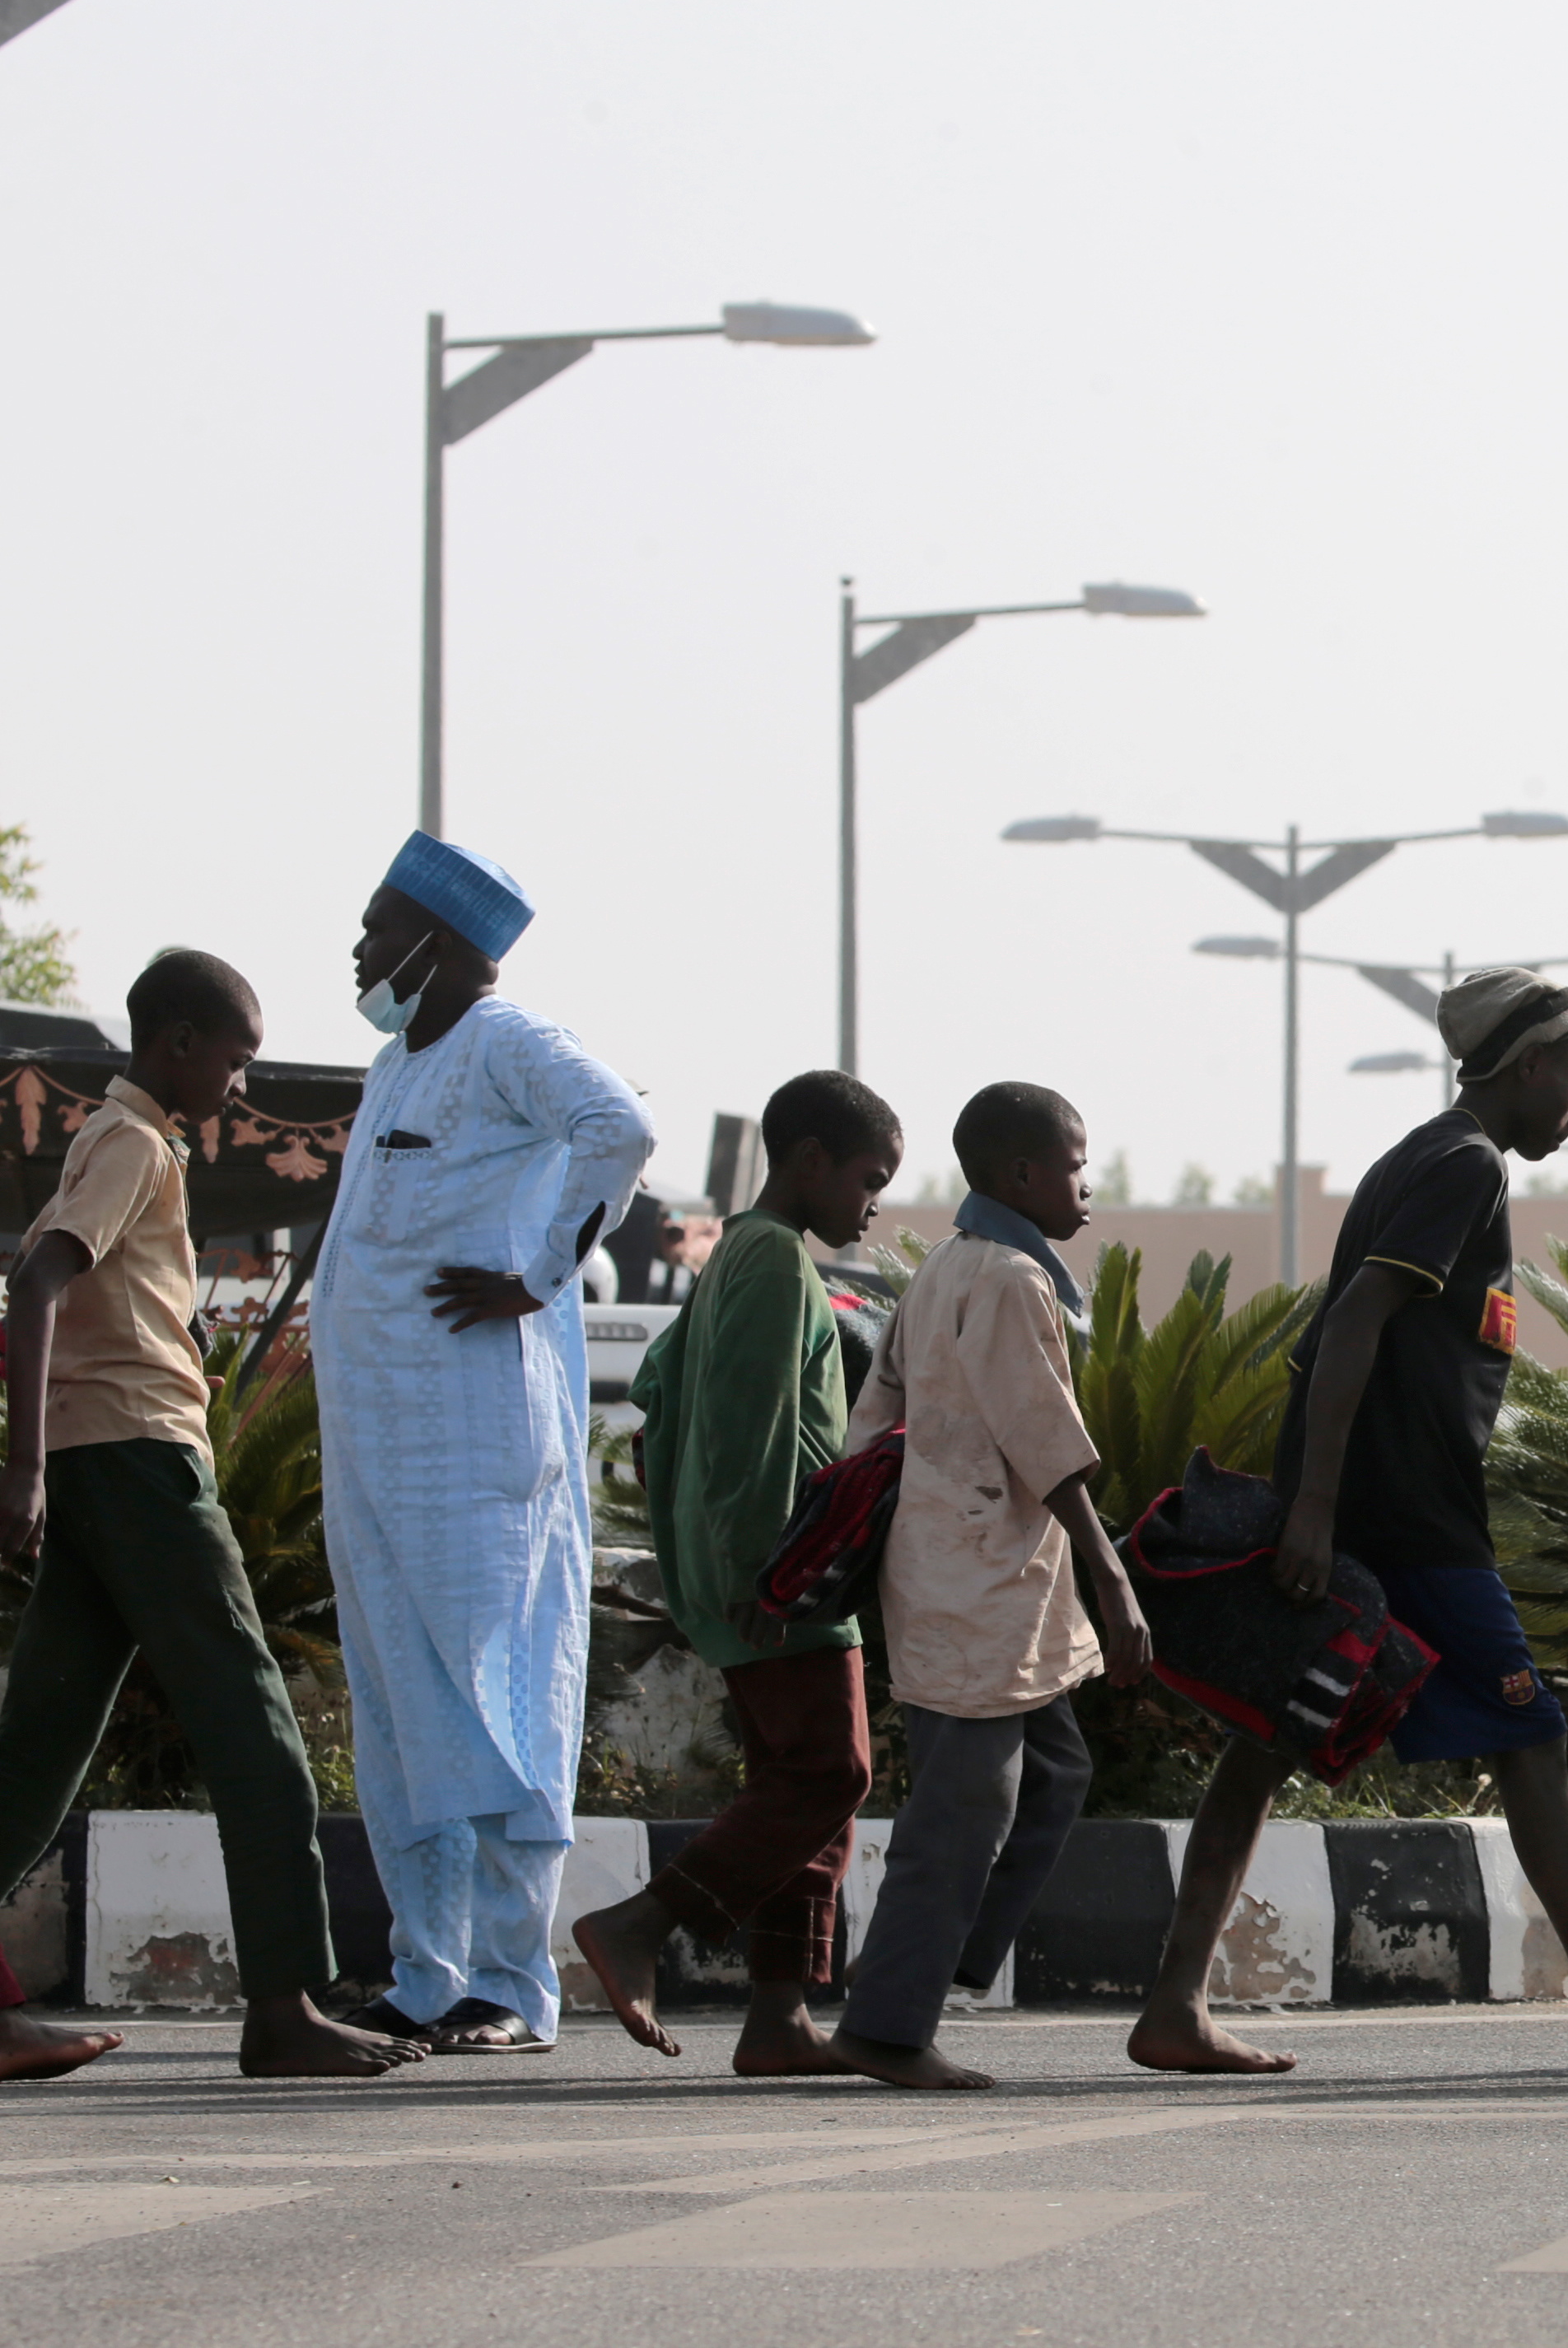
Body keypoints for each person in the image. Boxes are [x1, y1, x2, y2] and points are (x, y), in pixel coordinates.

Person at [1129, 970, 1568, 2076]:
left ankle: (1173, 2005)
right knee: (1532, 1734)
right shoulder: (1460, 1164)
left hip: (1387, 1511)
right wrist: (1315, 1509)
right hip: (1408, 1525)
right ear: (1525, 1067)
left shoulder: (1432, 1157)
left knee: (1264, 1743)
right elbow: (1351, 1325)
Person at [0, 952, 424, 2081]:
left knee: (35, 1749)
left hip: (105, 1464)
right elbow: (36, 1280)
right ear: (178, 1042)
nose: (241, 1085)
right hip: (137, 1463)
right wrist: (23, 1469)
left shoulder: (120, 1138)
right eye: (235, 1060)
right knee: (258, 1738)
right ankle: (285, 2009)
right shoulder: (133, 1142)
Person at [313, 837, 655, 2056]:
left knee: (495, 1704)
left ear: (443, 944)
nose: (358, 952)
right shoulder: (396, 1065)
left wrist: (540, 1268)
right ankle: (424, 1977)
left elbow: (615, 1126)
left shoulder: (506, 1043)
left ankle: (513, 1985)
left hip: (472, 1453)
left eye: (376, 928)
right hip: (376, 1450)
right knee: (401, 1715)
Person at [569, 1071, 905, 2071]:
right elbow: (750, 1427)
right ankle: (637, 1924)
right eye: (868, 1178)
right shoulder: (772, 1264)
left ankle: (778, 2017)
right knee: (831, 1771)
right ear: (809, 1159)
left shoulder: (732, 1258)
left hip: (750, 1568)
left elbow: (659, 1402)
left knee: (798, 1787)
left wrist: (698, 1550)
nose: (873, 1203)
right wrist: (767, 1569)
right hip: (785, 1575)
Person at [832, 1081, 1152, 2091]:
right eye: (1073, 1164)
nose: (1085, 1185)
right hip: (973, 1573)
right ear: (1021, 1173)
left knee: (1053, 1772)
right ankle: (888, 2022)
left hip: (972, 1568)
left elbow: (874, 1410)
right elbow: (1046, 1443)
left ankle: (949, 1957)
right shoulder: (1008, 1276)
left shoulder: (949, 1267)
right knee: (967, 1804)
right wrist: (1116, 1582)